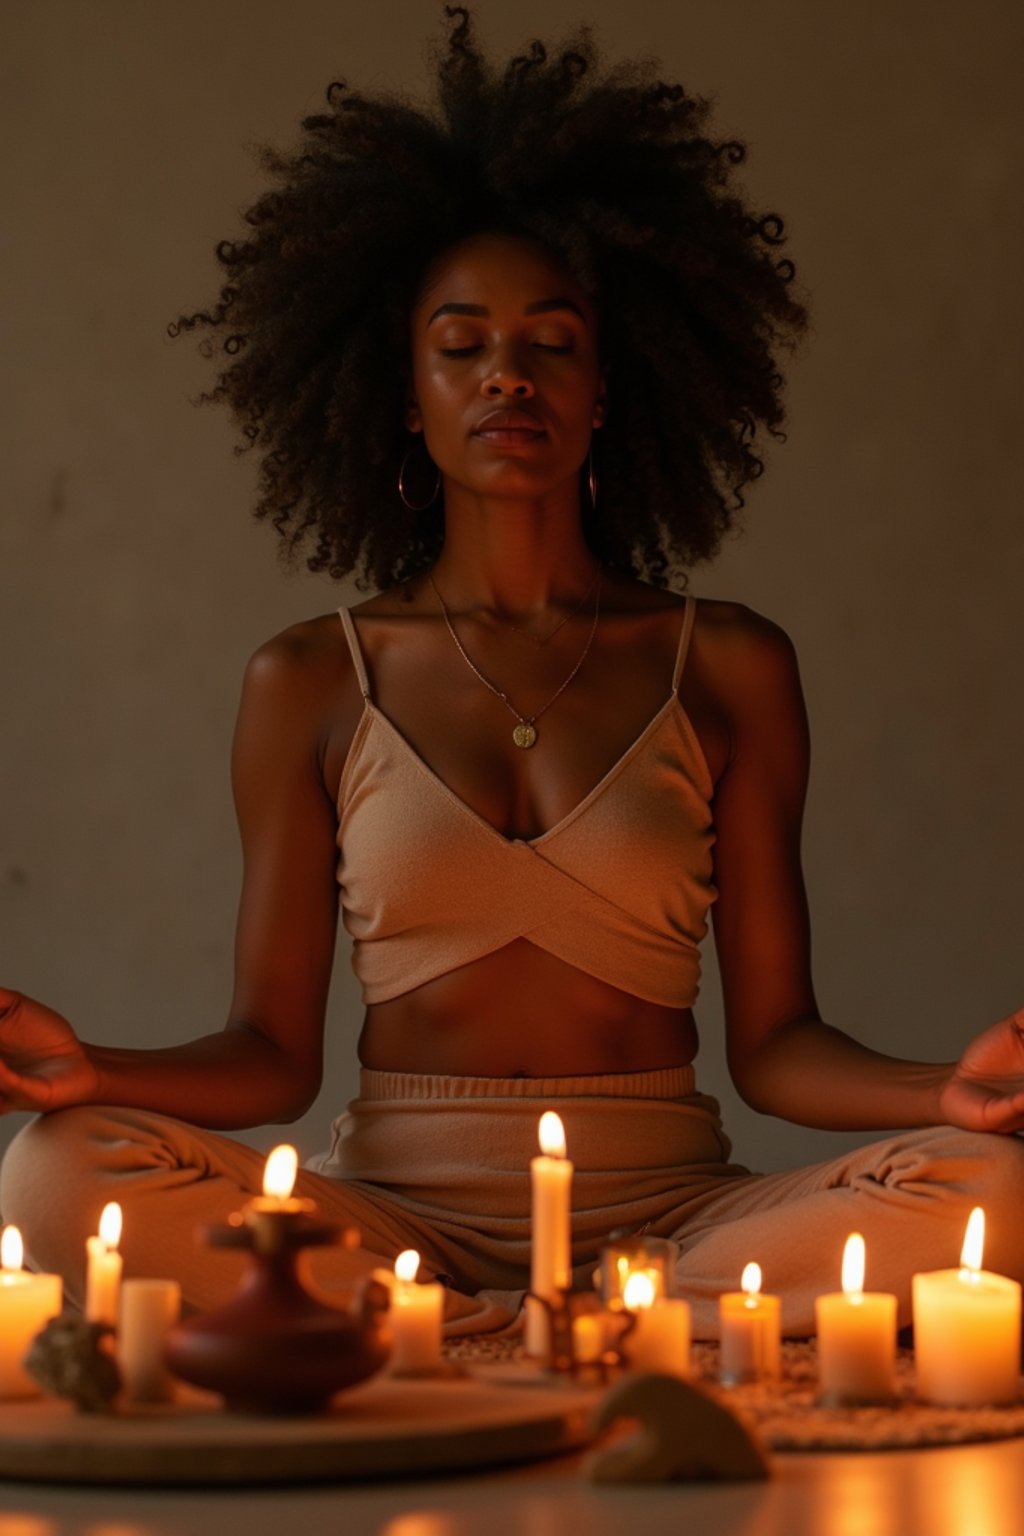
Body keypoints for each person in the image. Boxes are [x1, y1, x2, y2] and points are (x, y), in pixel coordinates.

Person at [2, 9, 1023, 1339]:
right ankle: (595, 1339)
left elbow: (777, 1049)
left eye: (552, 342)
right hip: (392, 1217)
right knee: (51, 1175)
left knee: (990, 1189)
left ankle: (463, 1340)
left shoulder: (726, 663)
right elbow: (268, 1055)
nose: (508, 377)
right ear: (404, 392)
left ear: (612, 386)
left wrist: (947, 1095)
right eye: (462, 343)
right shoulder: (311, 679)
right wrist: (88, 1073)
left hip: (675, 1214)